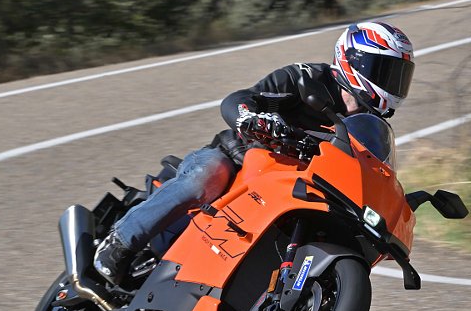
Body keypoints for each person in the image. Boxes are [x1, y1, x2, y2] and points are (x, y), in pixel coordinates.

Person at [93, 20, 416, 284]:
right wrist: (253, 118)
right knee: (208, 175)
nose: (391, 83)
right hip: (238, 159)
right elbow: (238, 99)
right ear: (353, 59)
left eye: (399, 77)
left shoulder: (370, 127)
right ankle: (119, 242)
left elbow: (371, 170)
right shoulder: (306, 79)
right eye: (384, 70)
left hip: (293, 187)